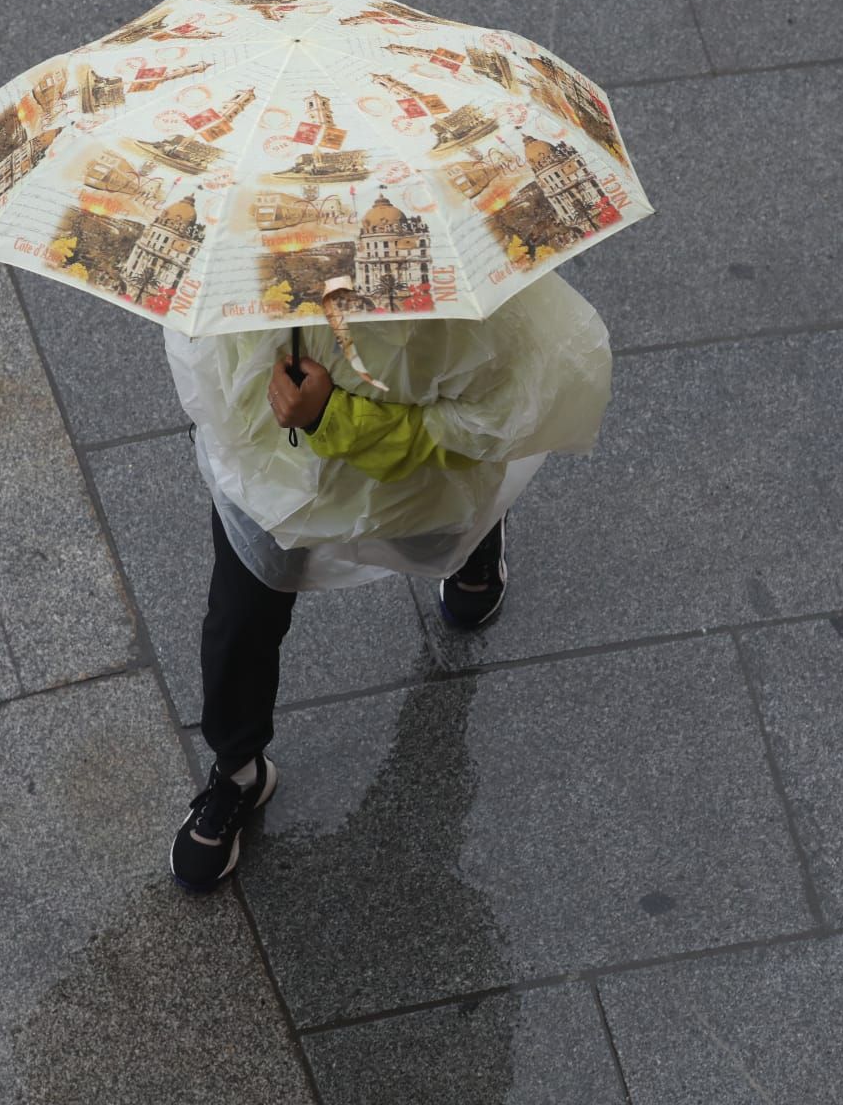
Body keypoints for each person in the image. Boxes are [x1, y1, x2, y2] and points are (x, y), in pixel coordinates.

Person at [163, 272, 613, 892]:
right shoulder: (241, 255)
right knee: (241, 619)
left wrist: (332, 416)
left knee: (441, 529)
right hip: (271, 476)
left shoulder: (475, 295)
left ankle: (476, 547)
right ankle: (239, 771)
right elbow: (209, 362)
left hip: (413, 487)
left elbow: (480, 431)